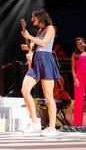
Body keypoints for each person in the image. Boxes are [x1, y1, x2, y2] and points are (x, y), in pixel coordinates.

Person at [20, 9, 60, 137]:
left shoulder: (50, 28)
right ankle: (34, 121)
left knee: (48, 96)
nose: (32, 20)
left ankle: (52, 128)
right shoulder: (39, 31)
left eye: (33, 17)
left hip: (46, 61)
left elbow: (44, 43)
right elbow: (37, 46)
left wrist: (29, 37)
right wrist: (28, 48)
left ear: (40, 17)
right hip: (36, 62)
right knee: (25, 90)